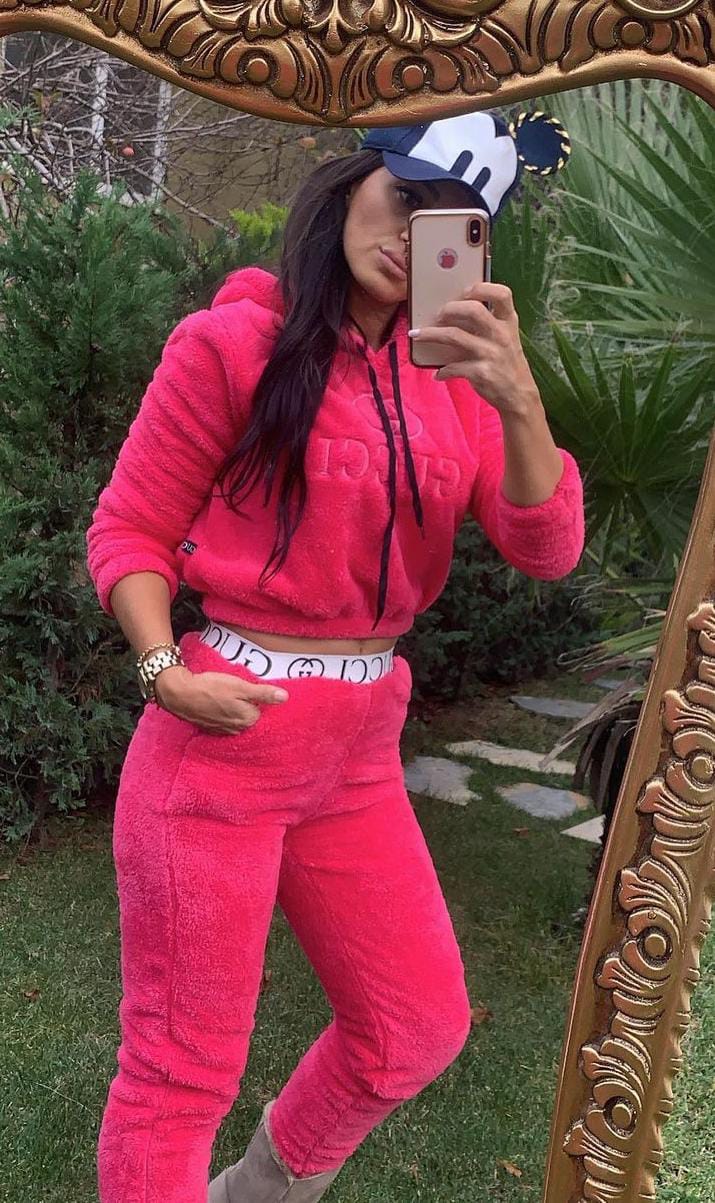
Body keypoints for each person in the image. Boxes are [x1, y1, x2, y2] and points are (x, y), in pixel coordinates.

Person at [85, 107, 585, 1203]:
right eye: (403, 198)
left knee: (415, 1025)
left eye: (449, 225)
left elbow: (545, 549)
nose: (410, 238)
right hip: (222, 741)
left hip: (356, 752)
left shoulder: (455, 376)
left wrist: (516, 397)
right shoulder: (231, 343)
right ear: (353, 181)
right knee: (180, 1070)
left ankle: (255, 1193)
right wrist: (164, 671)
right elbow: (128, 530)